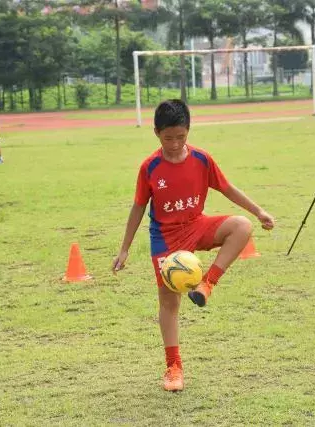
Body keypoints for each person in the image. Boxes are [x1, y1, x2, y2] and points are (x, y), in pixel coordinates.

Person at [112, 99, 275, 392]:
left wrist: (258, 211)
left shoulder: (202, 159)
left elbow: (227, 188)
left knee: (242, 226)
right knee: (169, 302)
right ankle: (174, 367)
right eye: (168, 138)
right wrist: (124, 248)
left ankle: (207, 285)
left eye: (181, 137)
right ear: (156, 133)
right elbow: (137, 207)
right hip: (166, 239)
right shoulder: (149, 168)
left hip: (196, 225)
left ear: (189, 131)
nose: (174, 144)